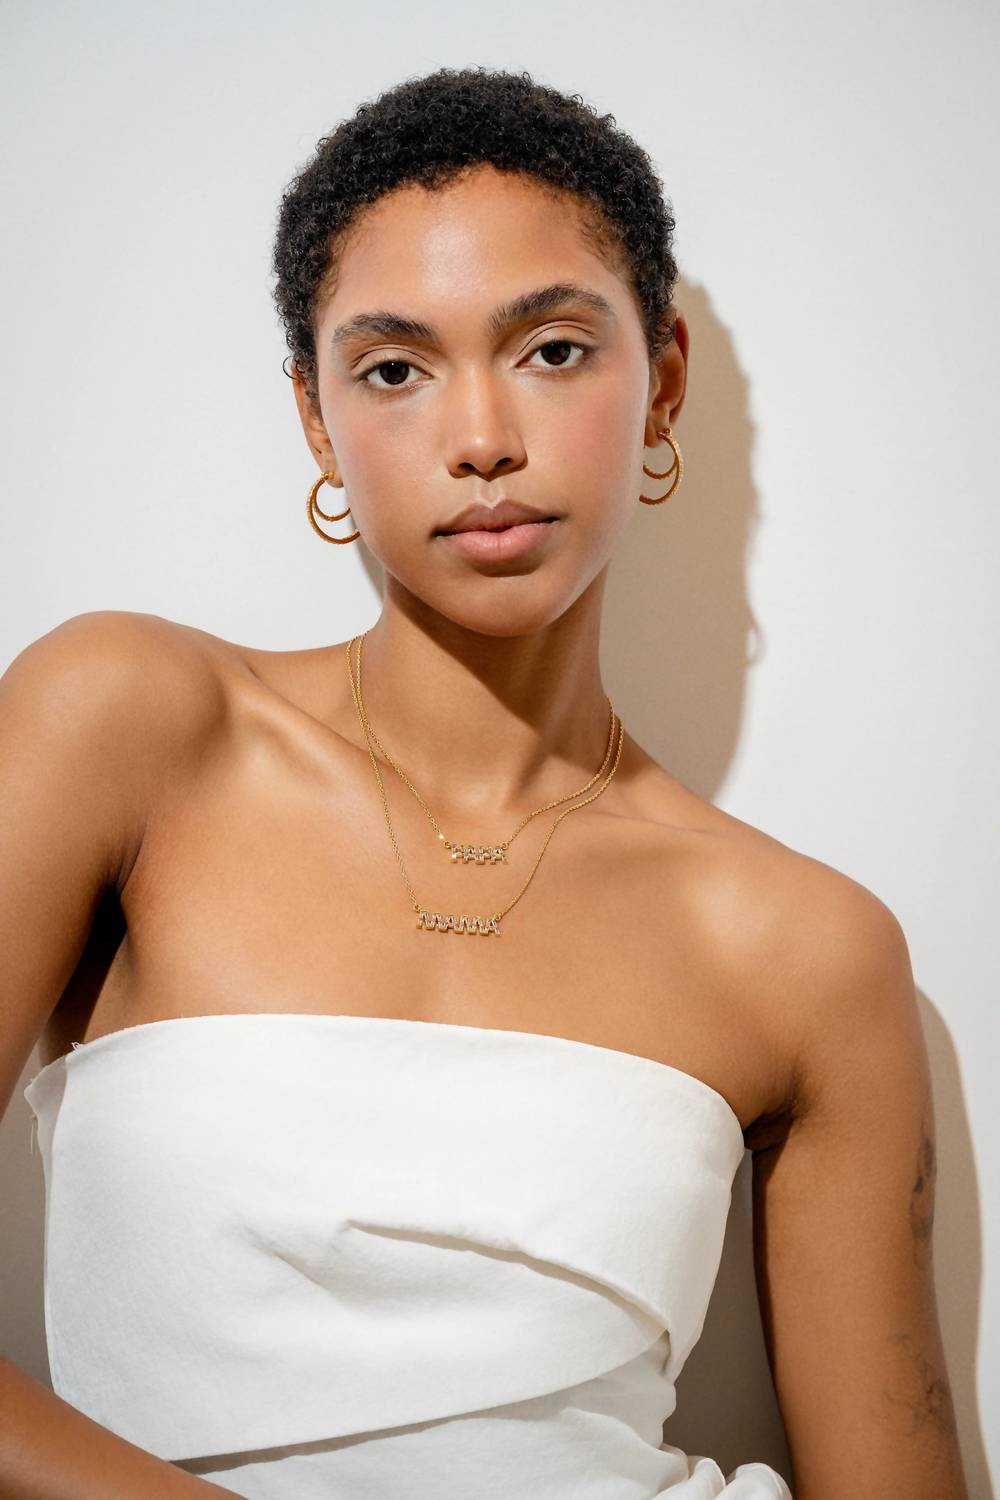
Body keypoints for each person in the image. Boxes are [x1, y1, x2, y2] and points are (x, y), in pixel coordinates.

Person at [0, 64, 968, 1500]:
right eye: (394, 369)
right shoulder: (128, 724)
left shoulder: (806, 947)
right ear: (317, 420)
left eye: (553, 350)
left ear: (664, 379)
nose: (481, 440)